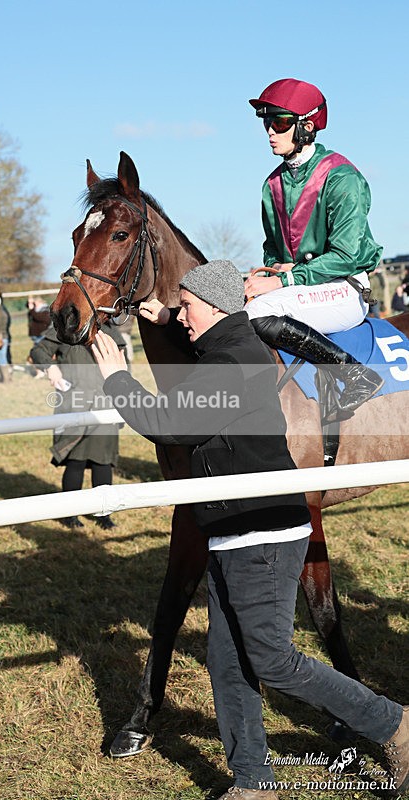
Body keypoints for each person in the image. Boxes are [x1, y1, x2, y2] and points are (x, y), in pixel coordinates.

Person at [91, 259, 408, 800]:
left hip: (262, 533)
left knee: (272, 660)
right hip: (231, 527)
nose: (181, 319)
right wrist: (165, 314)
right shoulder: (225, 344)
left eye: (187, 309)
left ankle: (395, 723)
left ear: (215, 306)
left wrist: (117, 376)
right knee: (226, 660)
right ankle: (253, 783)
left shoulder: (235, 360)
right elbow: (195, 343)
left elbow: (166, 422)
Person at [245, 78, 384, 421]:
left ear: (307, 126)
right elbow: (272, 248)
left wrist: (285, 281)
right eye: (267, 122)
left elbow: (347, 256)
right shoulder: (272, 183)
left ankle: (356, 375)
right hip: (303, 289)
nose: (269, 132)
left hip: (346, 289)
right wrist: (274, 269)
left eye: (279, 123)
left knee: (256, 315)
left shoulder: (342, 178)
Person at [30, 320, 126, 530]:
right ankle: (69, 514)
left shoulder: (109, 329)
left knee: (103, 461)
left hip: (105, 403)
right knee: (76, 461)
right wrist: (50, 368)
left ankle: (104, 514)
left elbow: (122, 368)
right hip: (75, 404)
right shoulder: (66, 325)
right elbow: (38, 351)